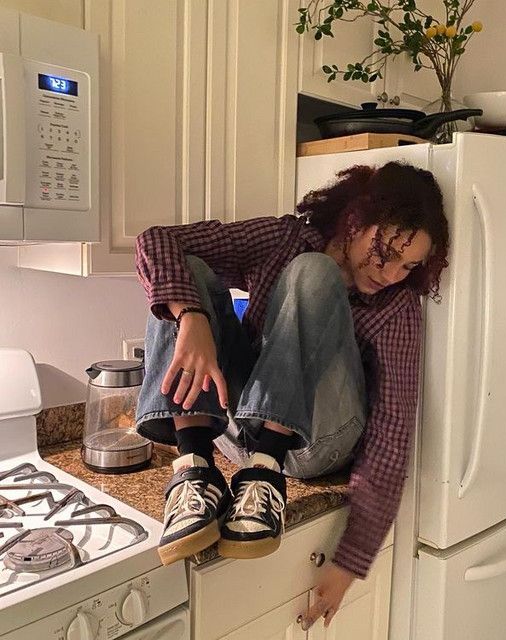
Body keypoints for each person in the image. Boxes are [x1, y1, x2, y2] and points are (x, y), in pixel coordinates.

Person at [134, 160, 449, 629]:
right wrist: (190, 317)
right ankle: (195, 470)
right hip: (236, 429)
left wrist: (349, 564)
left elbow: (392, 432)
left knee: (313, 273)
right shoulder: (283, 238)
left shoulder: (396, 307)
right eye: (386, 252)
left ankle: (267, 474)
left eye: (410, 265)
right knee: (190, 271)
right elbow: (157, 240)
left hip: (314, 444)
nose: (393, 274)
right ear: (355, 222)